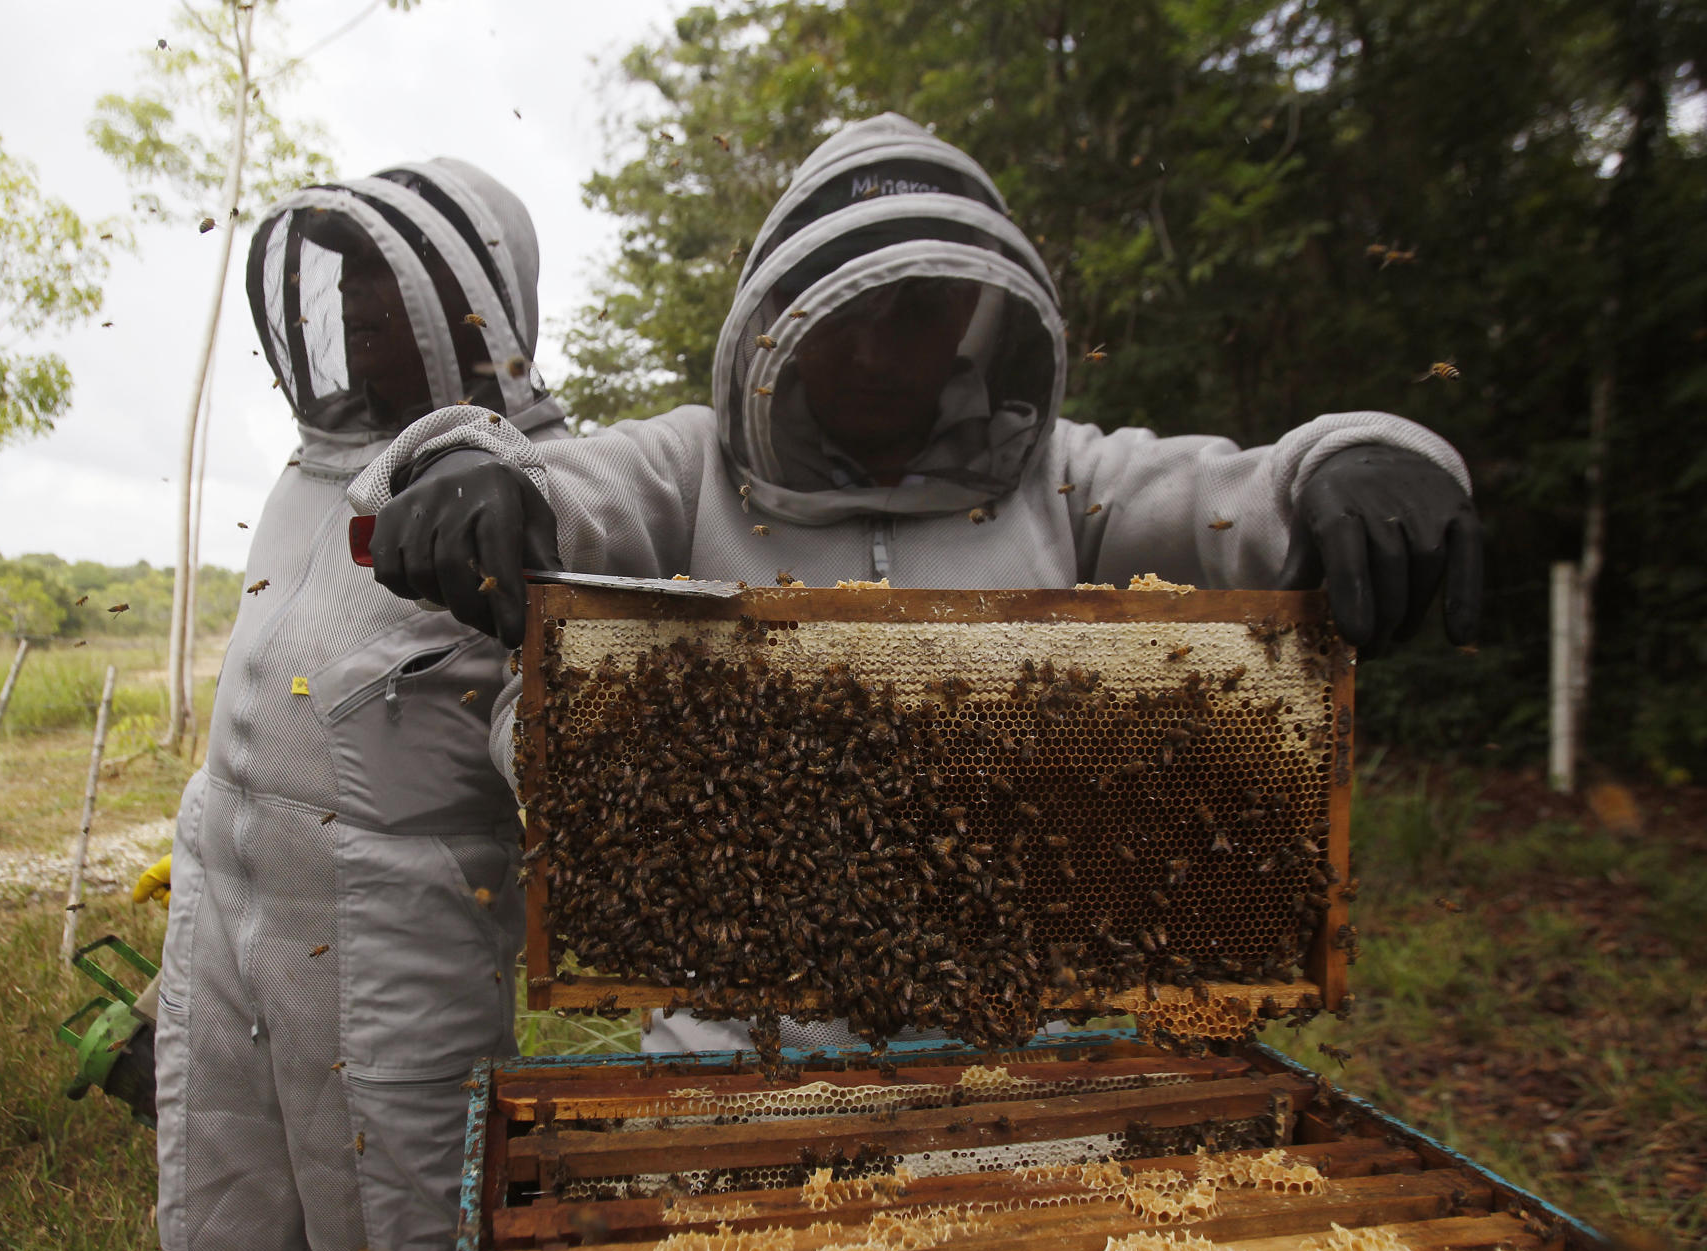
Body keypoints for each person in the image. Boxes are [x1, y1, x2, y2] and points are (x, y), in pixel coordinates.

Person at [347, 114, 1482, 1053]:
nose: (882, 354)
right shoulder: (689, 466)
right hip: (738, 1055)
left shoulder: (1060, 476)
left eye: (917, 315)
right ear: (781, 319)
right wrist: (469, 464)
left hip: (1027, 1050)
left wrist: (1356, 456)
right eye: (849, 315)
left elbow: (1232, 495)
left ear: (974, 315)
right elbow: (558, 482)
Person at [151, 160, 567, 1251]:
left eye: (393, 295)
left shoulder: (532, 482)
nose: (363, 322)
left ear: (473, 305)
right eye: (353, 297)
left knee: (403, 1241)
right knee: (218, 1226)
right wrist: (174, 971)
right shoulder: (302, 476)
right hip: (222, 906)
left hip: (396, 938)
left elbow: (559, 728)